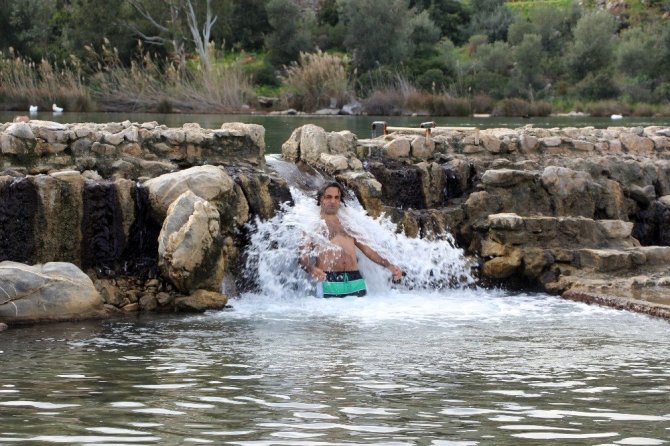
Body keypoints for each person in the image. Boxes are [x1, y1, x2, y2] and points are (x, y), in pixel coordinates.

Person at [299, 181, 403, 298]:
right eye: (328, 197)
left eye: (336, 197)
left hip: (356, 281)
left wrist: (389, 265)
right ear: (321, 199)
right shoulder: (312, 226)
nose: (333, 201)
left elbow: (368, 250)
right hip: (328, 280)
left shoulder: (348, 224)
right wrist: (311, 269)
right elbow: (302, 258)